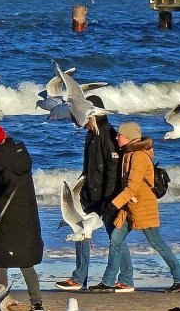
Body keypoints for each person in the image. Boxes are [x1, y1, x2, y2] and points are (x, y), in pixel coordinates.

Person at [91, 122, 180, 294]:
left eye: (120, 135)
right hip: (129, 207)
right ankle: (109, 282)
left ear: (129, 136)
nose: (117, 137)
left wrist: (112, 205)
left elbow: (132, 188)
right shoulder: (129, 153)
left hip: (143, 207)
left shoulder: (138, 156)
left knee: (157, 243)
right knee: (115, 240)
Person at [56, 98, 133, 292]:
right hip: (89, 194)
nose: (78, 118)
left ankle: (126, 279)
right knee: (80, 230)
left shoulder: (109, 136)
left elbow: (113, 173)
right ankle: (80, 277)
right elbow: (89, 167)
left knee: (115, 237)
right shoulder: (91, 135)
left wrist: (109, 201)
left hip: (107, 198)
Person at [0, 122, 45, 311]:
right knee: (26, 261)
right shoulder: (21, 153)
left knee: (1, 261)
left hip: (6, 218)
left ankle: (0, 306)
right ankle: (38, 304)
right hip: (28, 215)